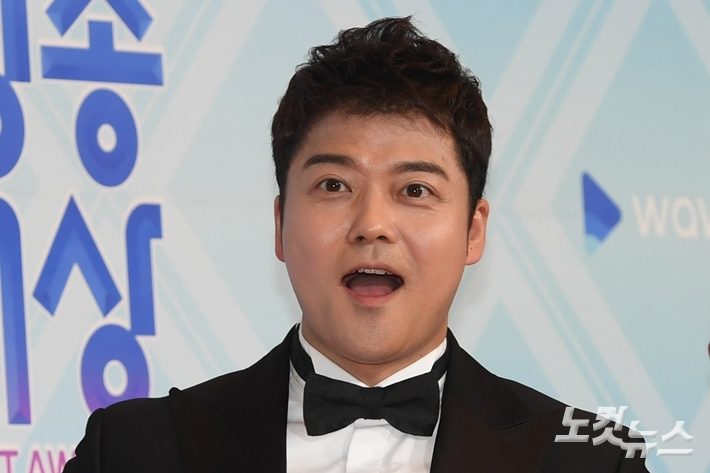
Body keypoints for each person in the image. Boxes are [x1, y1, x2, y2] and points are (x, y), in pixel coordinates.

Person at [64, 17, 648, 473]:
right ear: (280, 225)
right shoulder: (134, 451)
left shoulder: (590, 461)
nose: (373, 224)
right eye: (334, 186)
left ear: (474, 231)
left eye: (415, 190)